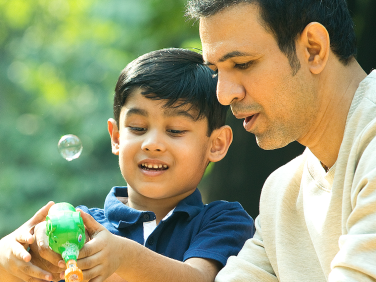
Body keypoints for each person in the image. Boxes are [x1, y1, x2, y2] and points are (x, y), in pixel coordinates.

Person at [0, 48, 254, 282]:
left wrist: (124, 257)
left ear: (217, 144)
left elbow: (199, 278)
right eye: (138, 128)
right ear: (117, 137)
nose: (152, 144)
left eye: (175, 130)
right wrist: (10, 258)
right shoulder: (81, 226)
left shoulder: (223, 221)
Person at [186, 0, 376, 281]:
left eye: (242, 63)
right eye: (216, 71)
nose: (224, 96)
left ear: (314, 48)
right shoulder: (282, 192)